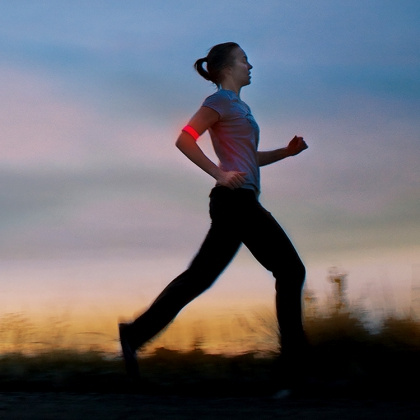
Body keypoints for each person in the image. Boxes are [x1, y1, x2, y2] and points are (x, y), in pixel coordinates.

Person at [119, 42, 309, 384]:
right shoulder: (218, 101)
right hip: (235, 201)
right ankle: (296, 368)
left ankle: (134, 335)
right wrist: (219, 173)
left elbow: (250, 158)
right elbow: (186, 139)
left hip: (239, 201)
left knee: (200, 277)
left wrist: (286, 152)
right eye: (244, 60)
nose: (250, 66)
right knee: (291, 270)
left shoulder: (241, 107)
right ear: (227, 68)